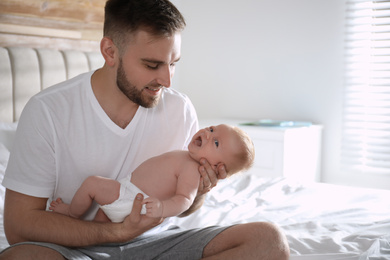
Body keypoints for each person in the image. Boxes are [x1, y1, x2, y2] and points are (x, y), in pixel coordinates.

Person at [0, 0, 290, 259]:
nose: (167, 80)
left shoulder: (179, 108)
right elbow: (18, 226)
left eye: (173, 64)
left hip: (156, 243)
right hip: (75, 248)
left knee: (268, 241)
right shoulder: (48, 111)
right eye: (153, 65)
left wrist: (199, 190)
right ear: (110, 51)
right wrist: (115, 233)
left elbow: (184, 205)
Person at [49, 124, 255, 222]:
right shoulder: (186, 157)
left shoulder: (193, 170)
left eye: (216, 142)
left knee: (92, 184)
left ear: (219, 168)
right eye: (211, 129)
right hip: (127, 192)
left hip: (133, 199)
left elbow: (184, 199)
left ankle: (71, 213)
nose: (208, 135)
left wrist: (162, 208)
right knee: (100, 226)